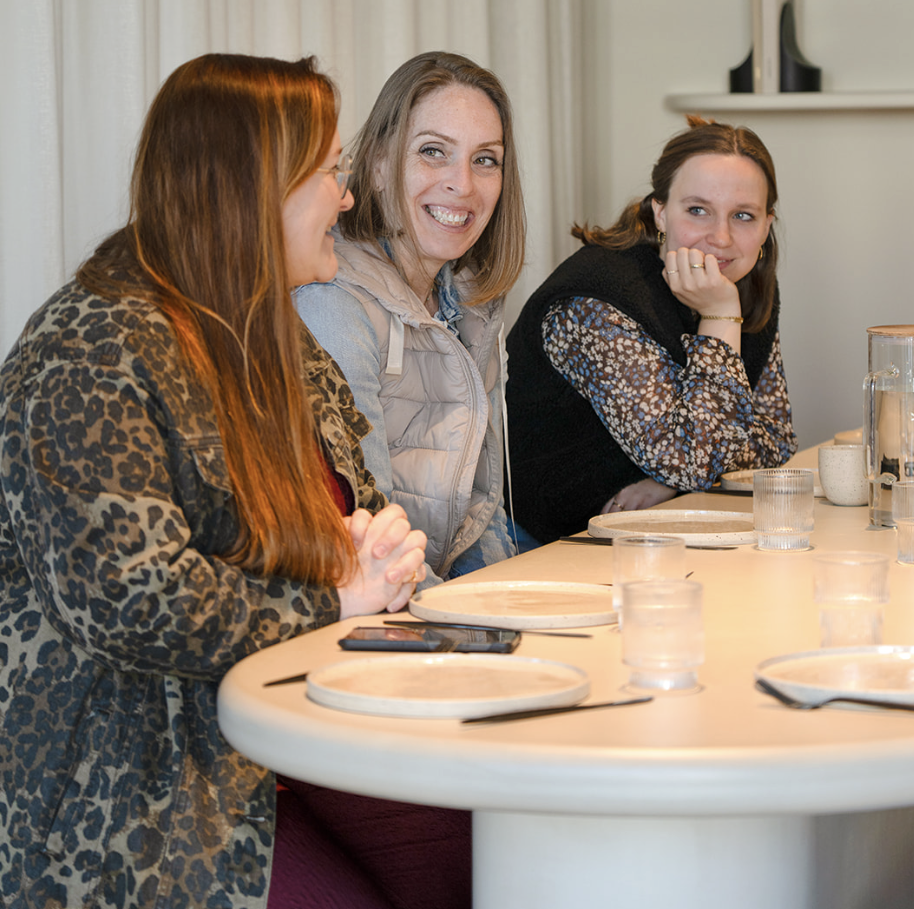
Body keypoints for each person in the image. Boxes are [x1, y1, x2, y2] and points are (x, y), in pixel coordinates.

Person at [0, 54, 474, 909]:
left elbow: (361, 516)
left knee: (480, 845)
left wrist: (386, 559)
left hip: (299, 715)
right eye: (327, 172)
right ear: (251, 192)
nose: (345, 199)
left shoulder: (271, 332)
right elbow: (134, 598)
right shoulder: (90, 350)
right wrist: (334, 599)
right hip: (138, 772)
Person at [506, 115, 797, 545]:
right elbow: (696, 461)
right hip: (541, 543)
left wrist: (668, 481)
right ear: (660, 212)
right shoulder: (595, 300)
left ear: (766, 226)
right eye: (697, 210)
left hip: (651, 535)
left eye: (743, 215)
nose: (720, 237)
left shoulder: (742, 287)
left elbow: (777, 440)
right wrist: (719, 316)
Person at [295, 51, 526, 584]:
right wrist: (465, 617)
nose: (462, 184)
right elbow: (371, 533)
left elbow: (482, 510)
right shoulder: (333, 302)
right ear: (378, 166)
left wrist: (508, 598)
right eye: (433, 152)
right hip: (387, 597)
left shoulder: (472, 299)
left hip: (443, 591)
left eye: (485, 159)